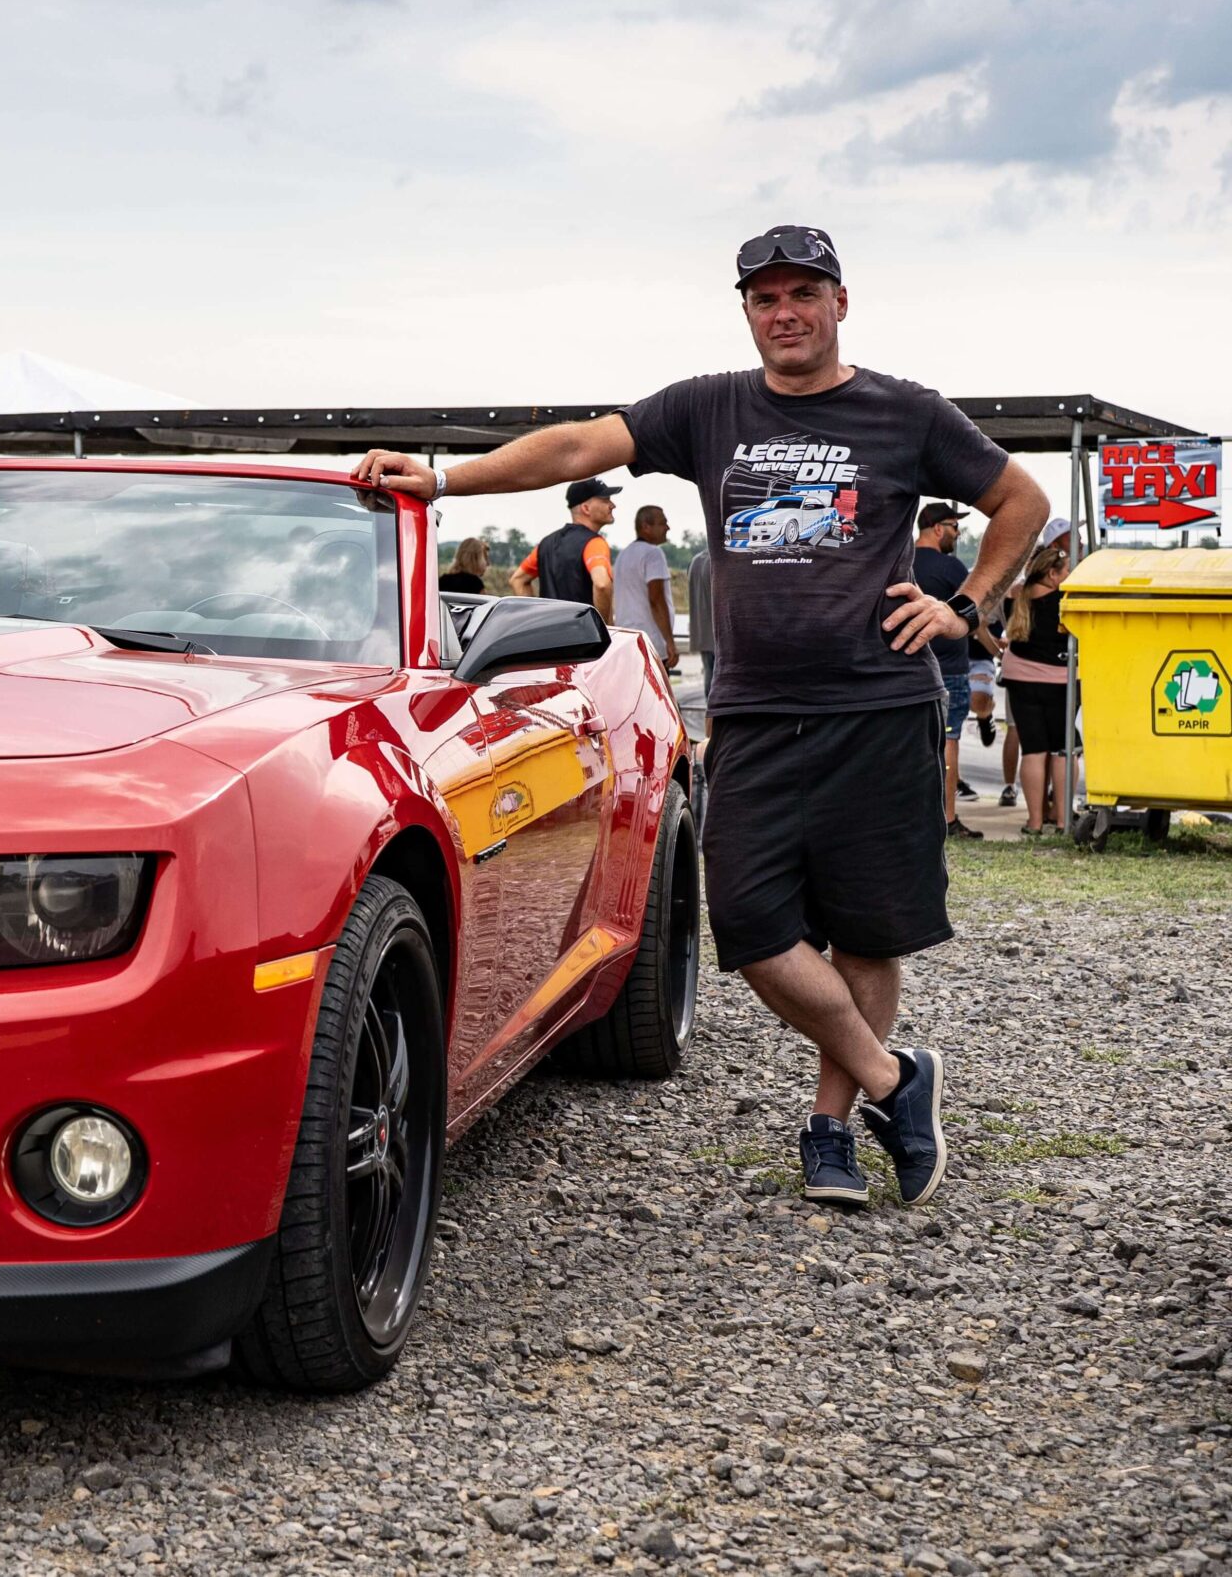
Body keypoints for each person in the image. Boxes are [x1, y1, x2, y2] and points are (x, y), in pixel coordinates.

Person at [350, 224, 1049, 1211]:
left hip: (876, 708)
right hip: (756, 712)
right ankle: (896, 1079)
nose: (785, 312)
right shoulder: (708, 407)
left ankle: (831, 1127)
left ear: (840, 302)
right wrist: (442, 480)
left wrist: (965, 606)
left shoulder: (905, 412)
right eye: (765, 298)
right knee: (750, 925)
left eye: (802, 293)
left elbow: (1020, 497)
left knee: (865, 934)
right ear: (747, 311)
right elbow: (578, 444)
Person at [912, 503, 984, 838]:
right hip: (950, 670)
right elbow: (974, 610)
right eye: (955, 527)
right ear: (938, 529)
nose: (958, 533)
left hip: (909, 665)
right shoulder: (951, 567)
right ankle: (948, 817)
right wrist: (995, 648)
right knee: (949, 740)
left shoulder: (900, 561)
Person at [1000, 541, 1074, 836]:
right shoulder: (1065, 602)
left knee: (1033, 750)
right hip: (1059, 682)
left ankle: (1034, 822)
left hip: (1019, 679)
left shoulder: (1015, 597)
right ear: (1053, 574)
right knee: (1063, 749)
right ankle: (1062, 819)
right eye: (1066, 571)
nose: (1069, 576)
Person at [512, 479, 618, 617]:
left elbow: (518, 580)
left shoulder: (546, 544)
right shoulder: (594, 543)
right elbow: (602, 584)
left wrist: (533, 617)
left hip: (549, 628)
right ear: (586, 508)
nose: (612, 505)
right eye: (605, 500)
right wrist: (603, 626)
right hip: (582, 629)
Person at [610, 506, 679, 670]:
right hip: (650, 642)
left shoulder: (622, 556)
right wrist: (670, 642)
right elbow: (656, 600)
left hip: (626, 640)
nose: (667, 528)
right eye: (662, 523)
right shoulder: (653, 553)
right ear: (646, 527)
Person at [686, 545, 716, 727]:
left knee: (709, 682)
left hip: (702, 632)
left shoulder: (695, 561)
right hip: (719, 636)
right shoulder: (718, 561)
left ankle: (709, 730)